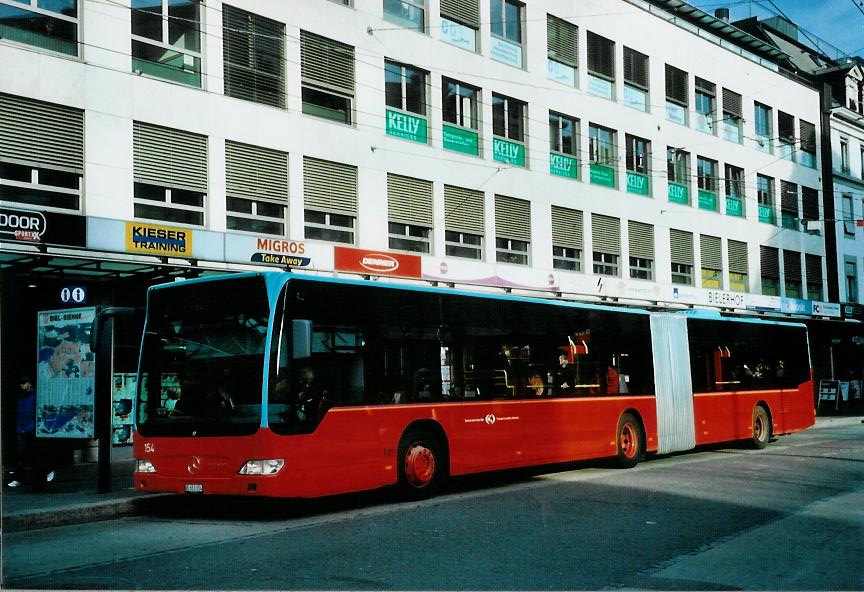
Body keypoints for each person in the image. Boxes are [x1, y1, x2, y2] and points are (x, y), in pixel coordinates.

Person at [7, 375, 53, 488]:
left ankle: (47, 470)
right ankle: (19, 478)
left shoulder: (35, 396)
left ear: (29, 383)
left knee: (35, 454)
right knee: (20, 454)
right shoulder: (21, 397)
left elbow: (36, 414)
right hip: (23, 429)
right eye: (20, 383)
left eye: (23, 383)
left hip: (32, 429)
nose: (21, 385)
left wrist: (28, 428)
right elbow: (20, 414)